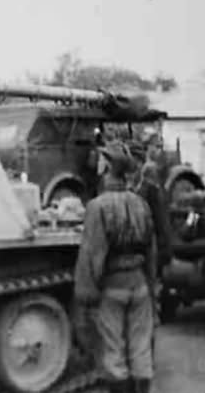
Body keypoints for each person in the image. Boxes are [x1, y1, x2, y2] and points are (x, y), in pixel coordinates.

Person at [74, 141, 157, 393]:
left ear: (107, 169)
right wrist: (151, 286)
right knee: (141, 350)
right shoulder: (140, 203)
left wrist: (86, 295)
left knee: (113, 353)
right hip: (139, 285)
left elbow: (92, 254)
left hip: (113, 287)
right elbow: (151, 249)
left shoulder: (97, 207)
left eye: (101, 162)